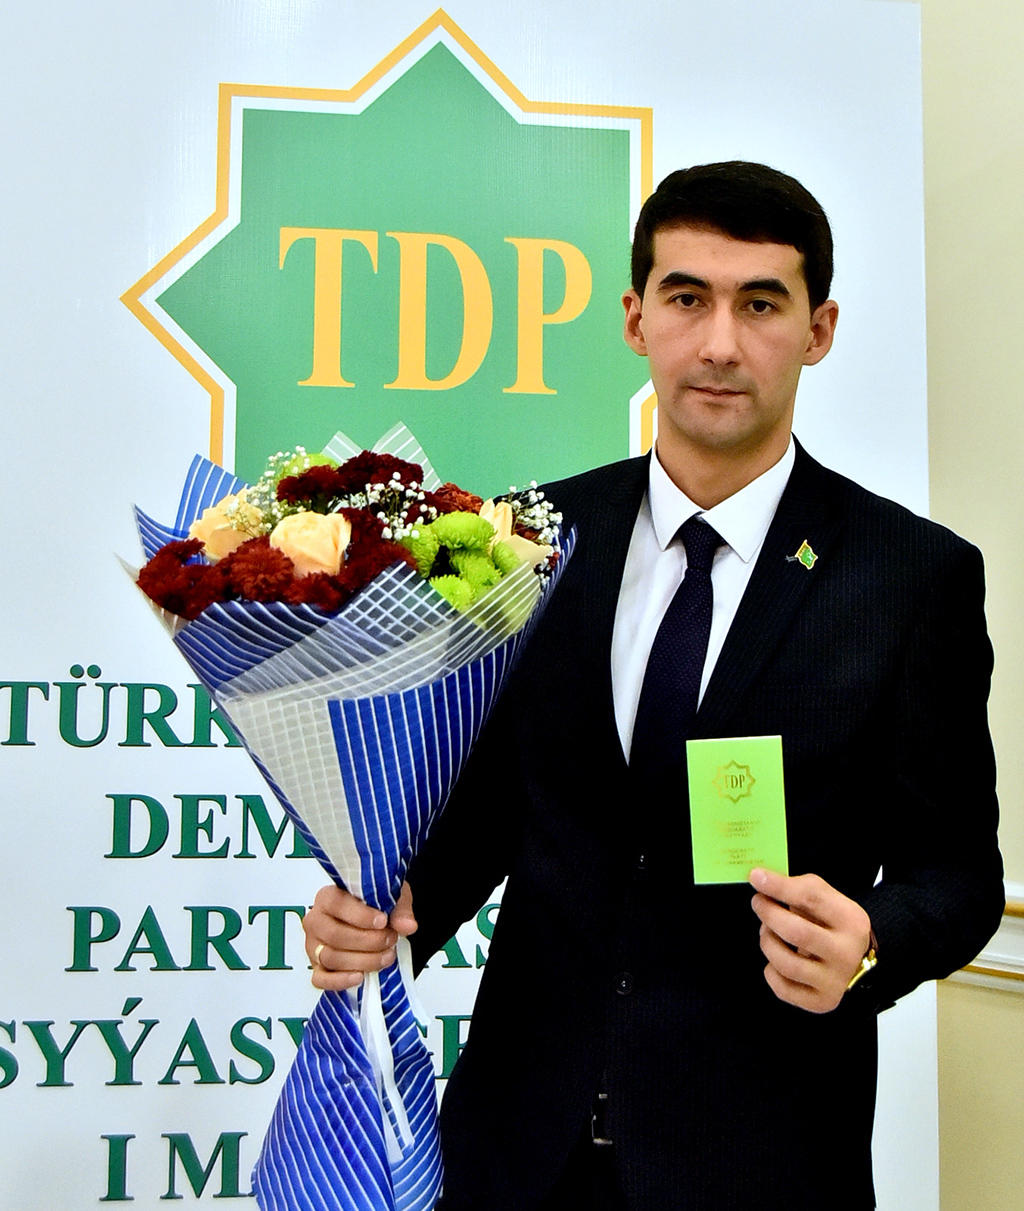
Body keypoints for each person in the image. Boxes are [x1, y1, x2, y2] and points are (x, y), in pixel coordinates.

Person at [303, 162, 1004, 1210]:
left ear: (817, 330)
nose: (719, 343)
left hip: (762, 1164)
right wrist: (396, 903)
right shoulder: (528, 539)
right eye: (687, 298)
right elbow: (496, 807)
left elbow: (957, 875)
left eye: (760, 304)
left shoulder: (909, 577)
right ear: (636, 318)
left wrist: (872, 940)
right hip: (517, 1155)